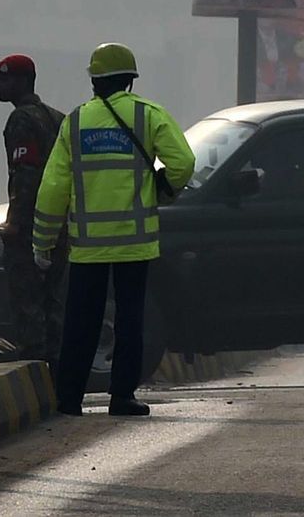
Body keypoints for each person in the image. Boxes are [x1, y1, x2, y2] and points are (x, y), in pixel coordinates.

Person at [33, 43, 195, 418]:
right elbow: (183, 162)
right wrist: (162, 191)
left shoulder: (74, 123)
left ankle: (69, 399)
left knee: (80, 323)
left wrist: (42, 242)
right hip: (134, 245)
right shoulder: (148, 115)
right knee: (130, 320)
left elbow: (54, 187)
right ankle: (122, 397)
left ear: (94, 82)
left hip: (88, 248)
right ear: (130, 81)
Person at [0, 55, 66, 363]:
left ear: (23, 81)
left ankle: (34, 353)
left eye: (4, 79)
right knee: (52, 295)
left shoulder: (21, 120)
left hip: (32, 223)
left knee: (26, 291)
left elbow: (25, 173)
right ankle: (54, 357)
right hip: (59, 221)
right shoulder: (56, 117)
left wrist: (15, 222)